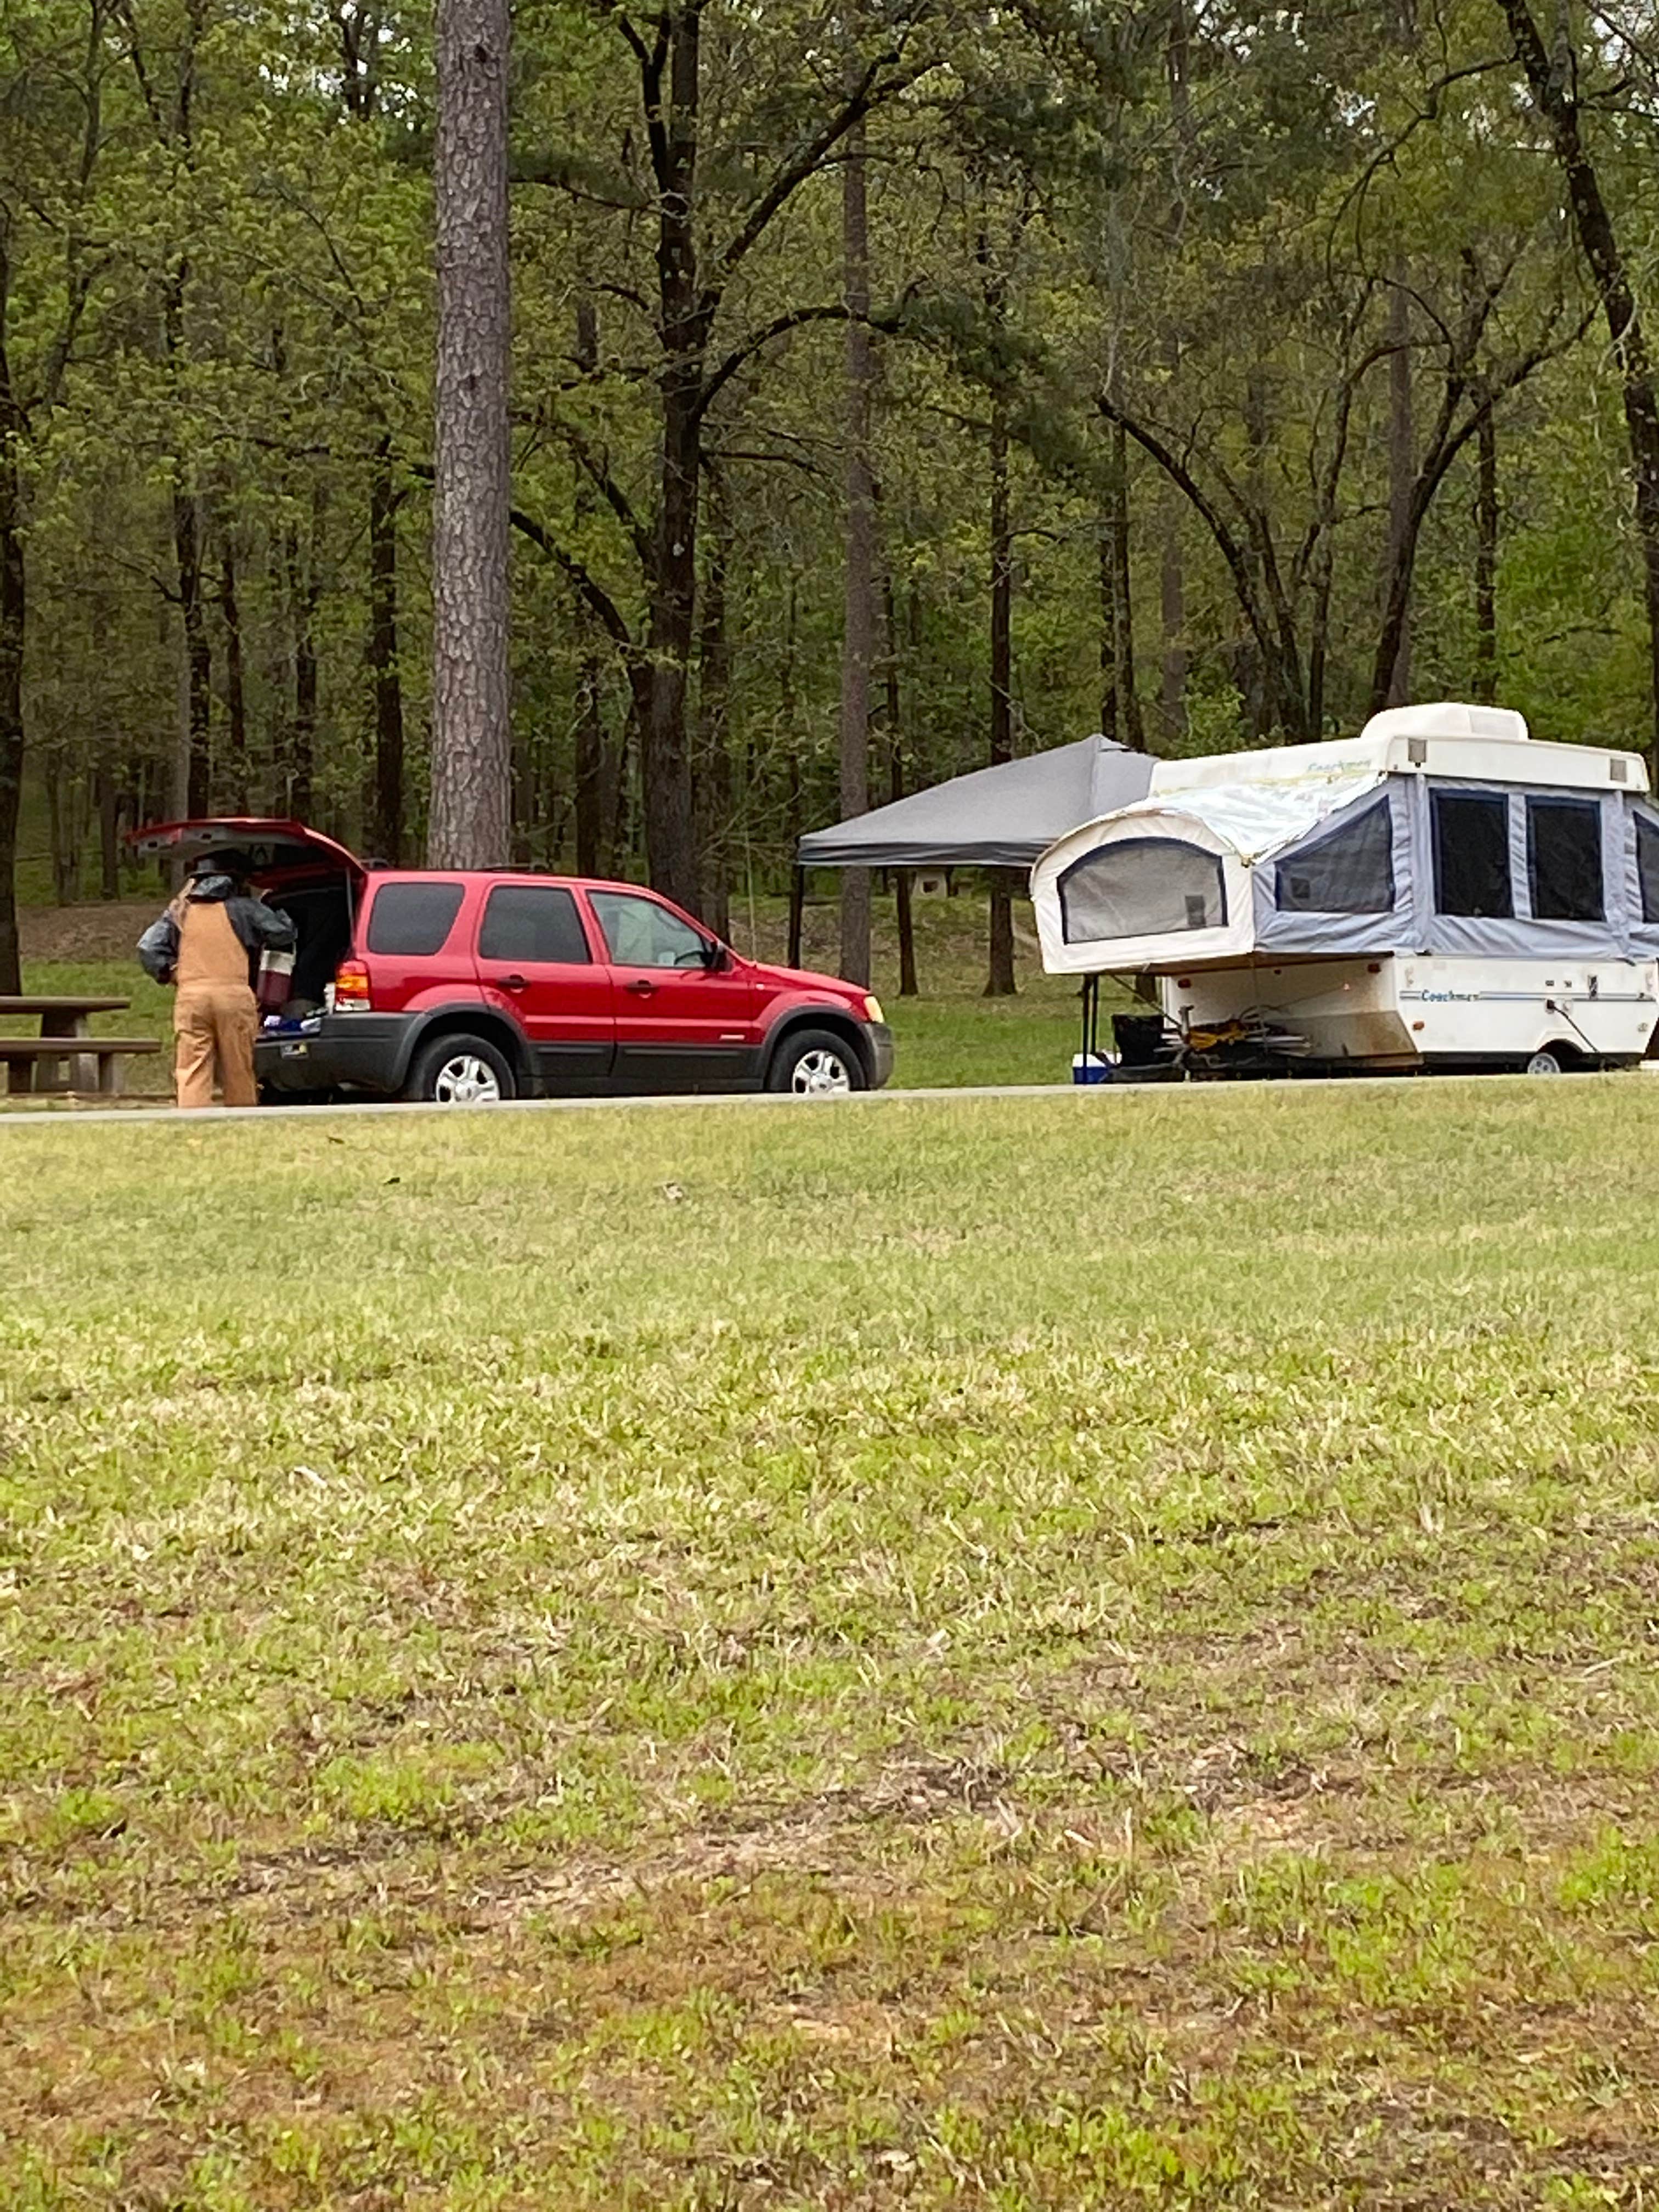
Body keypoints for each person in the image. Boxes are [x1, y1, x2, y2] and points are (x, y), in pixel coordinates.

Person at [137, 854, 297, 1109]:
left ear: (197, 881)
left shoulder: (179, 911)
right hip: (233, 996)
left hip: (191, 997)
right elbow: (282, 934)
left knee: (191, 1067)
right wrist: (283, 912)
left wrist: (169, 972)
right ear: (234, 881)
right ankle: (242, 1121)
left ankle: (192, 1121)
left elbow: (148, 948)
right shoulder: (245, 908)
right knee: (238, 1067)